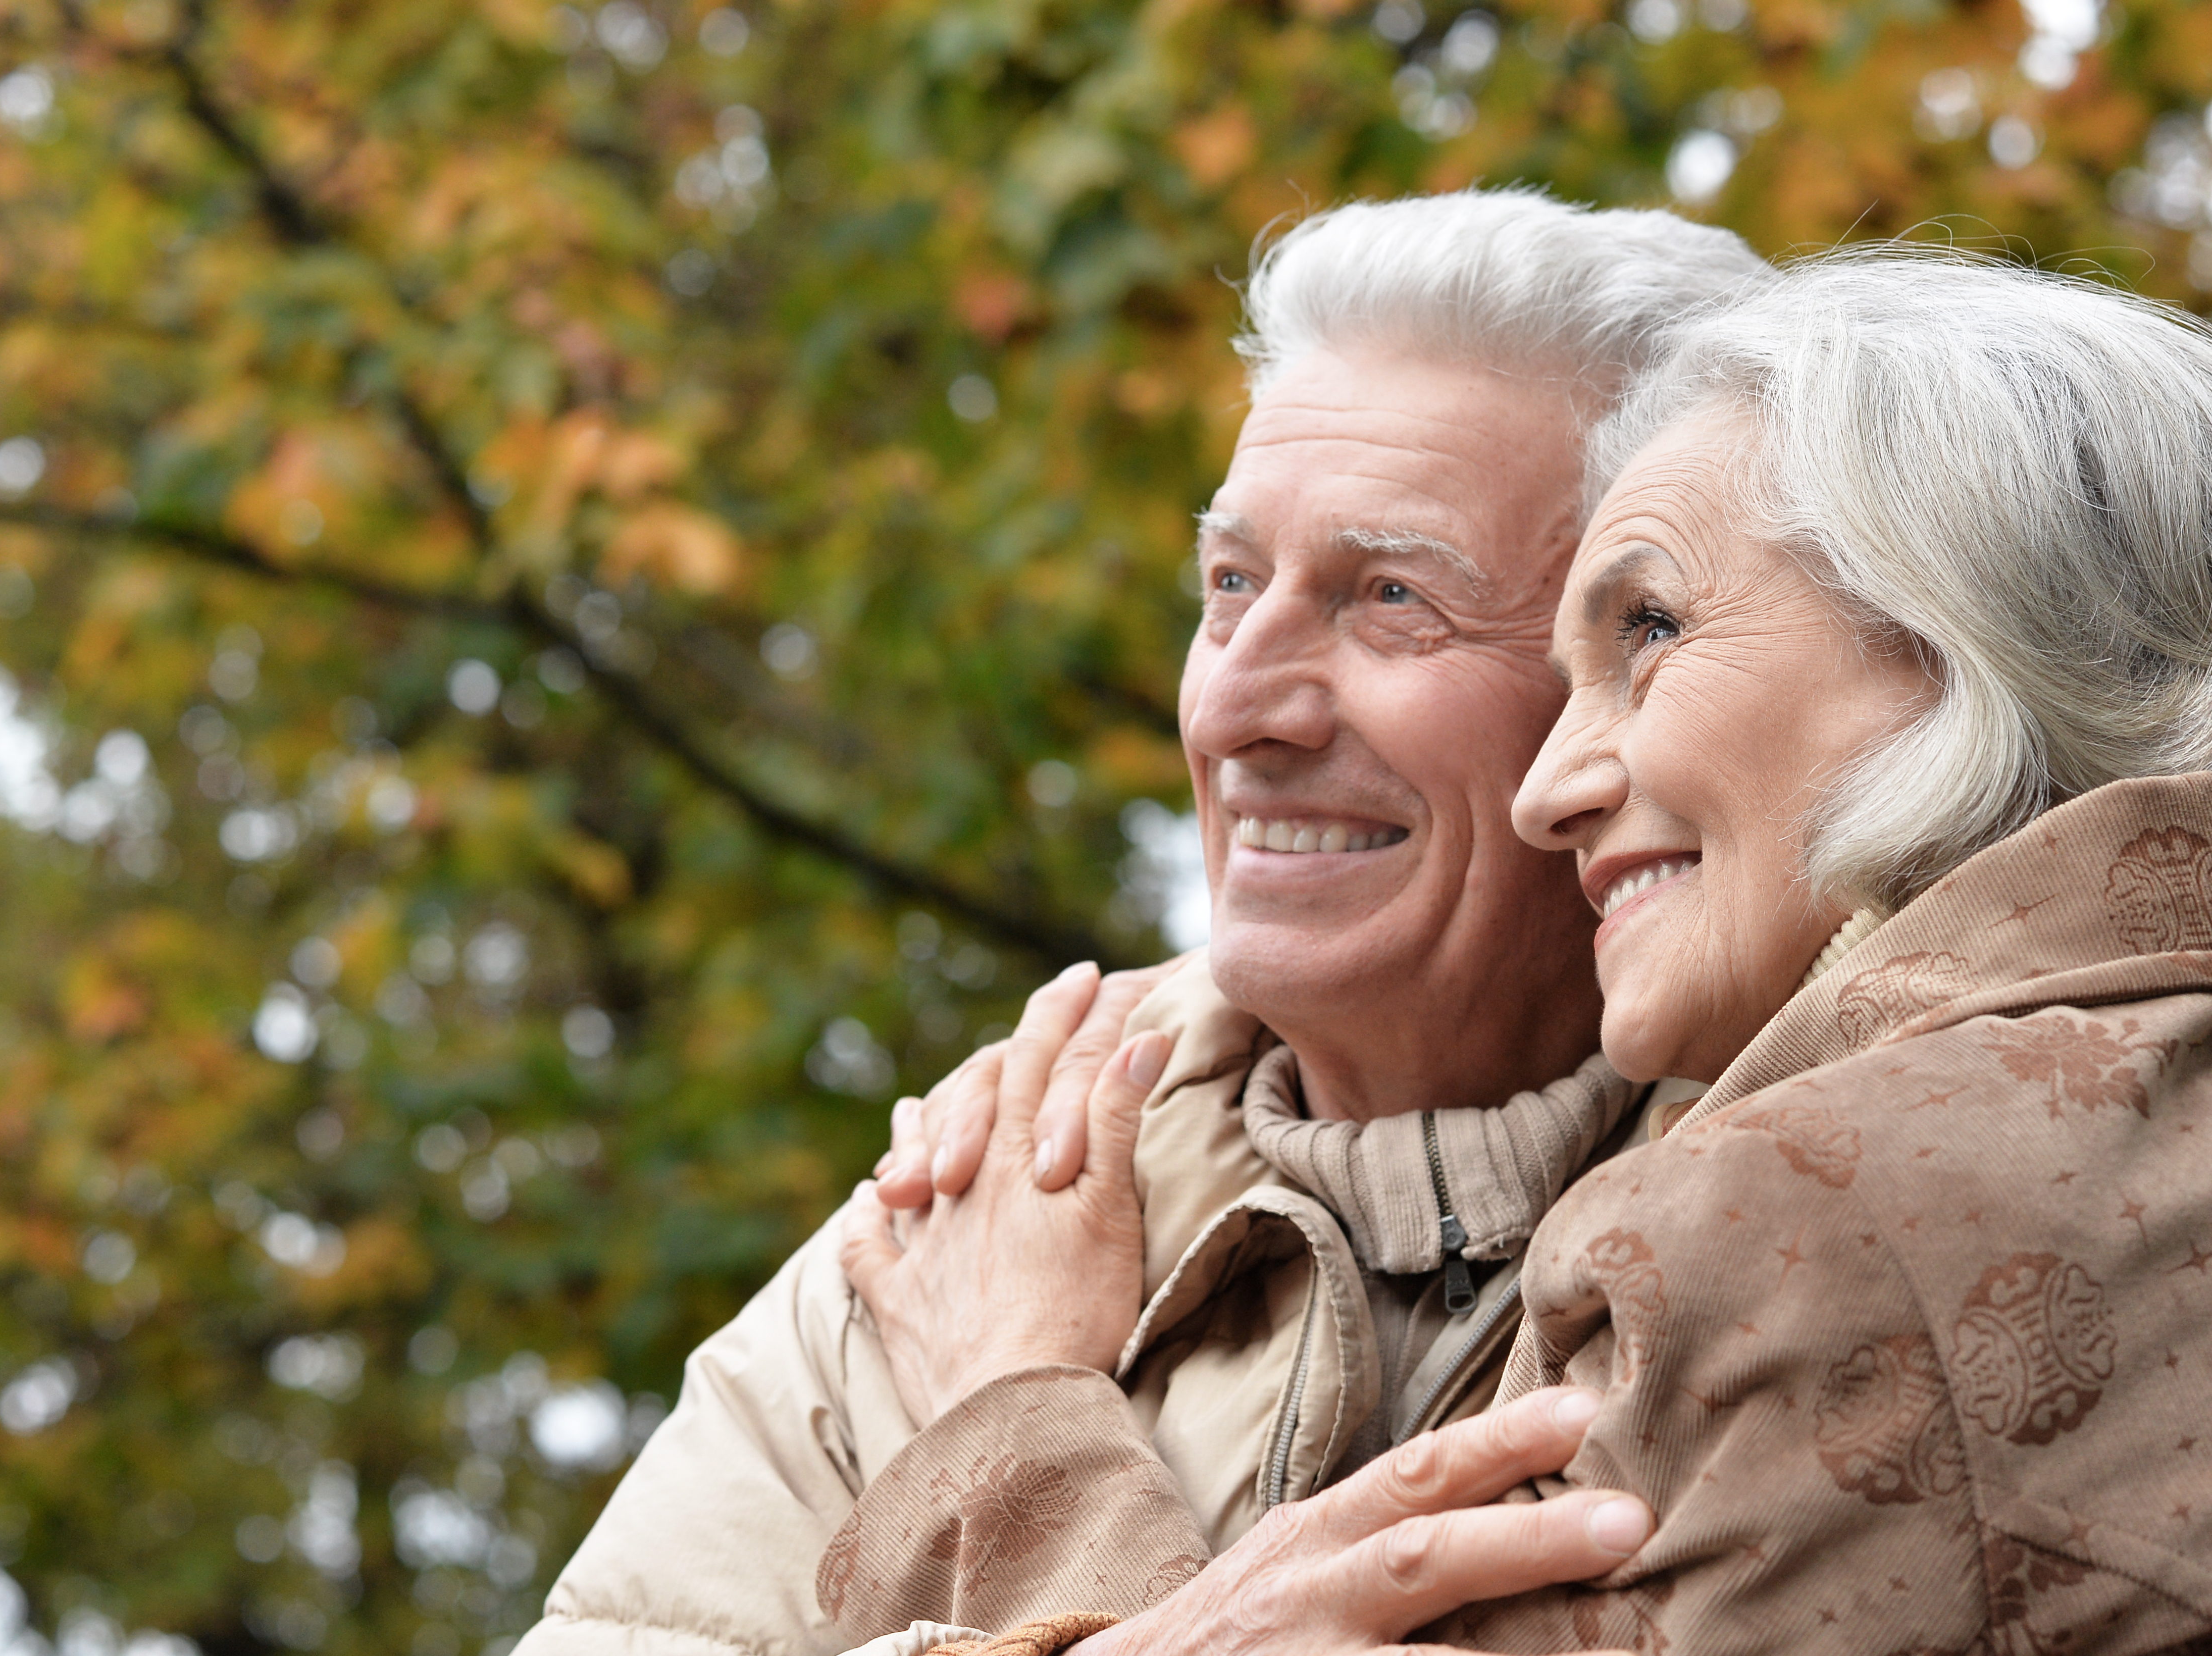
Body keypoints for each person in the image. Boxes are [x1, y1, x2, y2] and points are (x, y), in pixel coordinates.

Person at [524, 190, 1766, 1656]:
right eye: (1230, 584)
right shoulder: (975, 1206)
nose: (1235, 703)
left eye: (1390, 599)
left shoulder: (1850, 1170)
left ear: (1640, 669)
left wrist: (1012, 1443)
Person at [937, 248, 2212, 1653]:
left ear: (1965, 636)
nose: (1552, 790)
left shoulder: (1785, 1229)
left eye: (1648, 630)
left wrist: (1014, 1418)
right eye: (1227, 582)